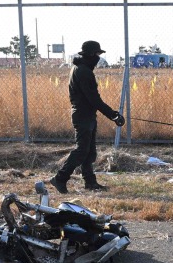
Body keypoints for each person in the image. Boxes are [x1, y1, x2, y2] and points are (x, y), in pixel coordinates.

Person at [49, 40, 124, 194]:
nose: (98, 58)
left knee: (89, 152)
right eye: (97, 54)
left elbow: (92, 100)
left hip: (86, 115)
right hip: (83, 115)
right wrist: (113, 115)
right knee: (82, 151)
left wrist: (112, 115)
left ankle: (90, 182)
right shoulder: (83, 72)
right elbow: (94, 99)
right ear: (90, 54)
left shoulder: (80, 68)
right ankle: (60, 178)